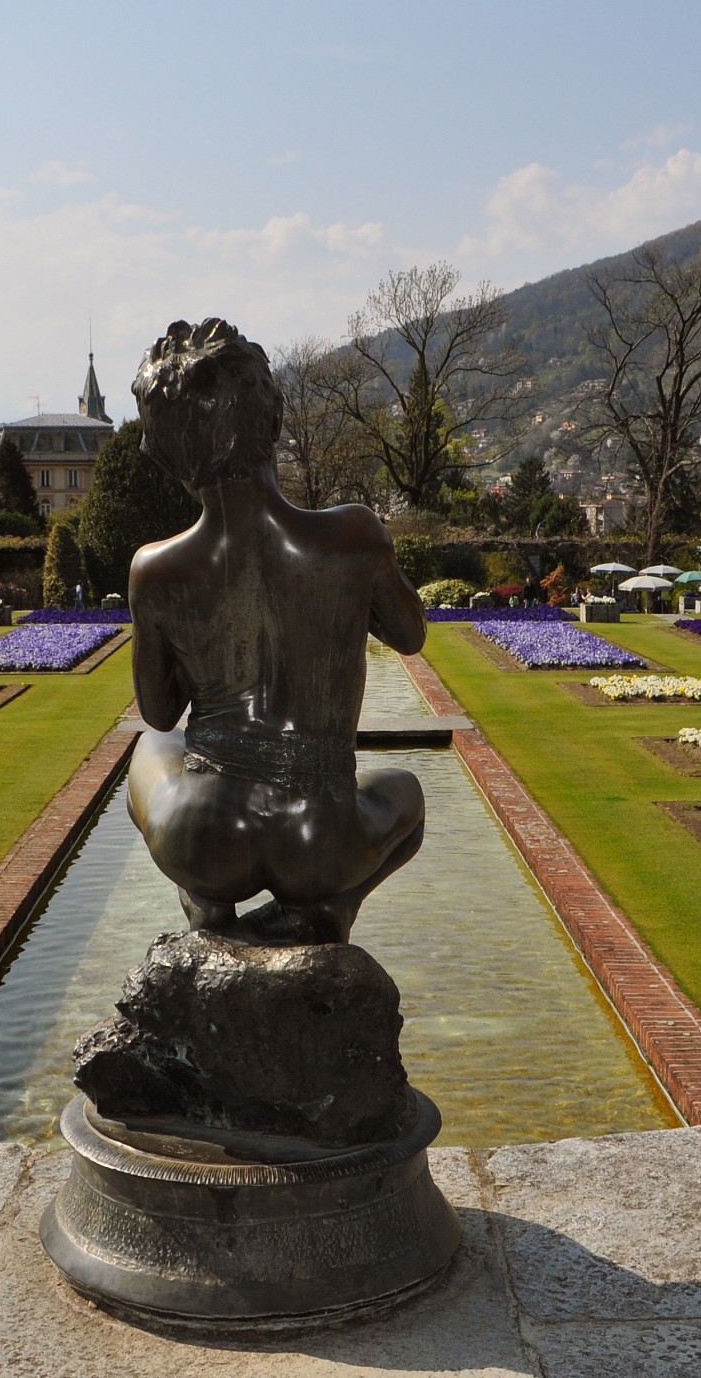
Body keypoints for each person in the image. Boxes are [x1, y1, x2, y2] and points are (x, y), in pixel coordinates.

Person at [123, 317, 427, 944]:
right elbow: (411, 634)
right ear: (271, 423)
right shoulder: (354, 535)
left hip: (204, 837)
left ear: (174, 449)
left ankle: (206, 907)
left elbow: (158, 711)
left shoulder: (156, 567)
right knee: (407, 796)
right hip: (320, 837)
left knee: (148, 753)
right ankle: (326, 912)